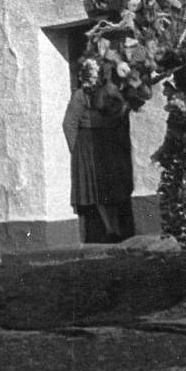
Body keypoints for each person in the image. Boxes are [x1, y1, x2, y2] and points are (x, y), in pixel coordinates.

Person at [62, 61, 135, 243]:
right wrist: (76, 149)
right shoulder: (80, 95)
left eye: (97, 75)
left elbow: (119, 112)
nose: (95, 79)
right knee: (99, 188)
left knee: (113, 184)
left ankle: (118, 228)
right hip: (89, 143)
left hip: (109, 141)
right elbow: (69, 123)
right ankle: (111, 230)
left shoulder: (109, 91)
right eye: (91, 75)